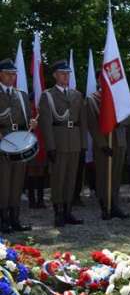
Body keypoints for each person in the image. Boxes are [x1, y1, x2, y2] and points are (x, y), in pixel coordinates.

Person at [38, 60, 87, 227]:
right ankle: (58, 212)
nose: (66, 76)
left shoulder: (77, 95)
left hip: (74, 140)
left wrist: (83, 144)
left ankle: (68, 211)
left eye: (67, 73)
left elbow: (83, 121)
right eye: (62, 73)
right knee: (58, 178)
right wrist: (50, 146)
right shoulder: (48, 95)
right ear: (55, 75)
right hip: (58, 141)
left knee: (71, 178)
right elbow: (45, 123)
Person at [86, 79, 130, 220]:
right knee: (103, 175)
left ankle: (115, 205)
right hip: (104, 143)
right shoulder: (92, 99)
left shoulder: (120, 97)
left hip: (119, 141)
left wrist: (118, 121)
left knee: (116, 175)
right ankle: (104, 206)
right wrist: (102, 144)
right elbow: (92, 124)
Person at [0, 59, 37, 232]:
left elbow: (27, 117)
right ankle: (3, 220)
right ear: (0, 74)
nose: (12, 77)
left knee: (16, 182)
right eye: (8, 73)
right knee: (3, 182)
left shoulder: (21, 95)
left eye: (14, 74)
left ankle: (15, 218)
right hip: (2, 141)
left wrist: (32, 123)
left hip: (18, 142)